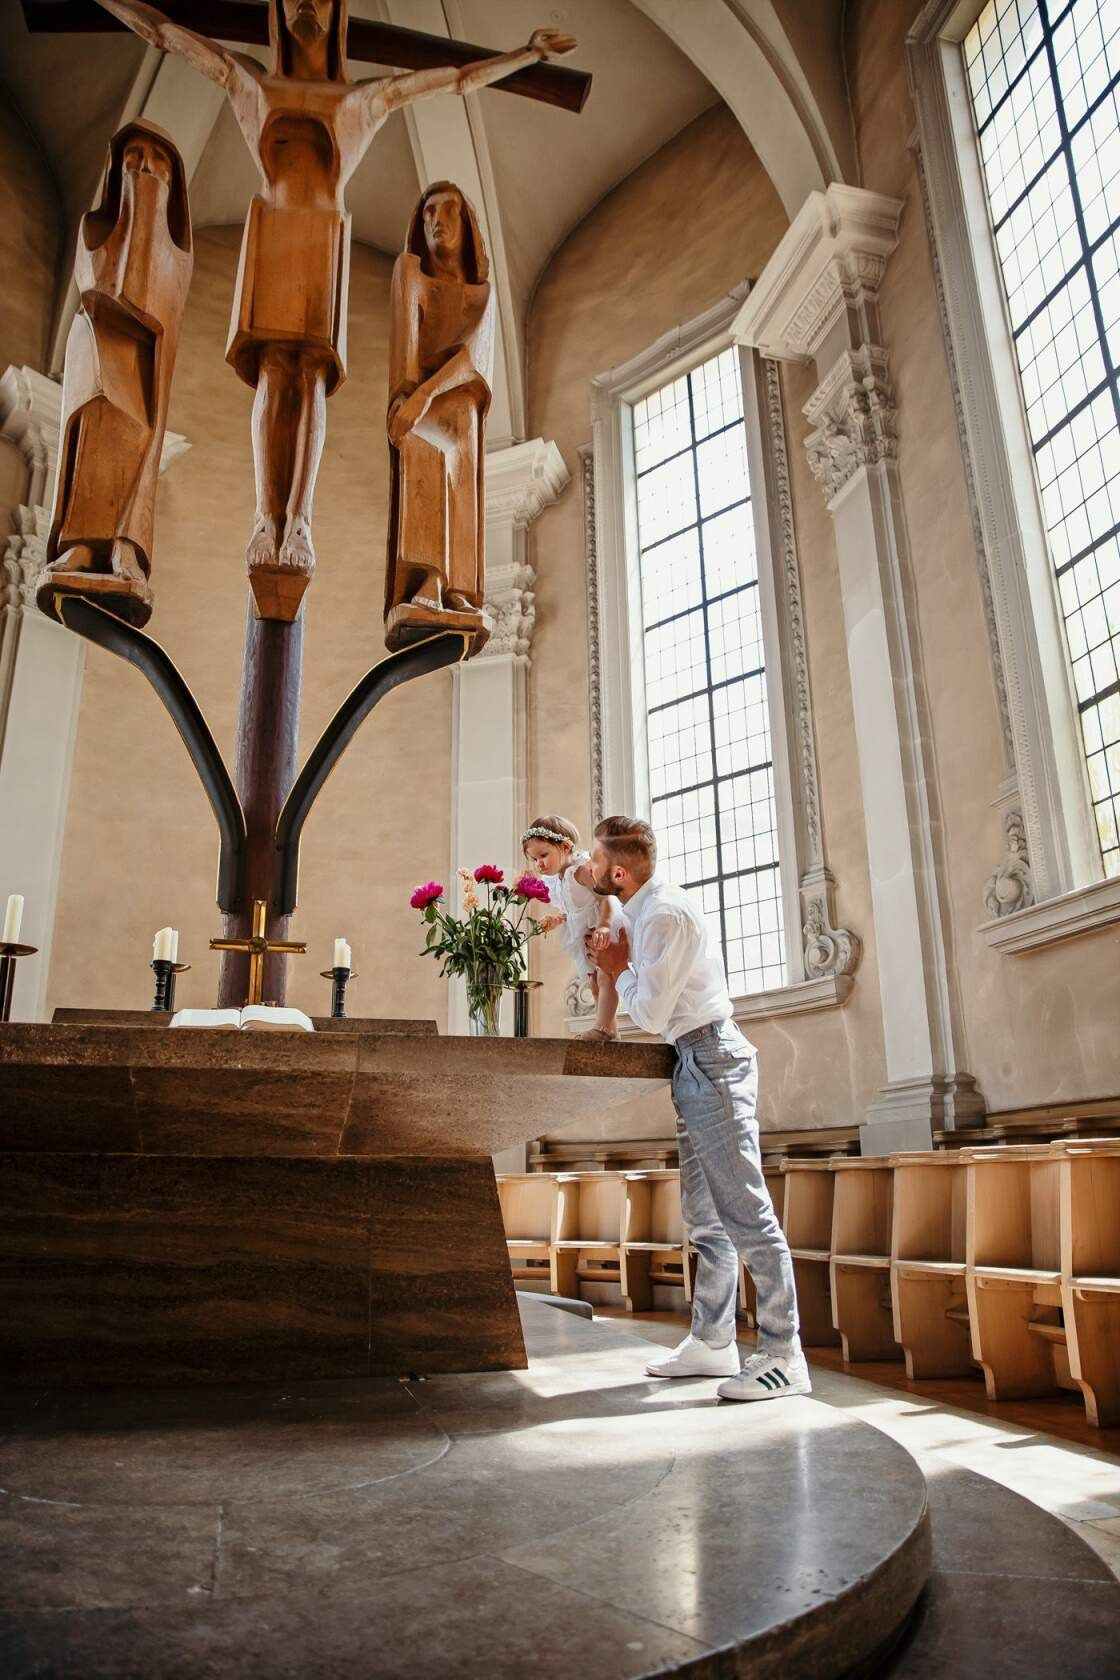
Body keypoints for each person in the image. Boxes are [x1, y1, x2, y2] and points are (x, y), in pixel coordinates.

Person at [92, 0, 576, 618]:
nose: (306, 6)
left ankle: (299, 521)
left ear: (338, 12)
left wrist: (526, 55)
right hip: (272, 232)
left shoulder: (360, 101)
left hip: (324, 238)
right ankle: (266, 518)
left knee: (311, 376)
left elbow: (453, 80)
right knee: (273, 373)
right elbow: (167, 32)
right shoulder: (251, 83)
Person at [587, 815, 809, 1402]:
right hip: (691, 1059)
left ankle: (784, 1354)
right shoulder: (640, 910)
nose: (589, 867)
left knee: (746, 1213)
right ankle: (713, 1341)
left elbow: (650, 1015)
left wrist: (619, 971)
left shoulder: (664, 914)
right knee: (706, 1218)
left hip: (712, 1057)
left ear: (618, 872)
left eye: (596, 859)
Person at [521, 816, 623, 1043]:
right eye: (534, 859)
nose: (539, 864)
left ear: (565, 847)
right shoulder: (558, 880)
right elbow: (573, 908)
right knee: (594, 983)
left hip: (601, 930)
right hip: (585, 936)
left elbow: (606, 899)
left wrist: (604, 926)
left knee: (606, 977)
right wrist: (559, 919)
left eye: (543, 855)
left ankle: (604, 1028)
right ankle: (610, 1030)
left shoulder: (581, 870)